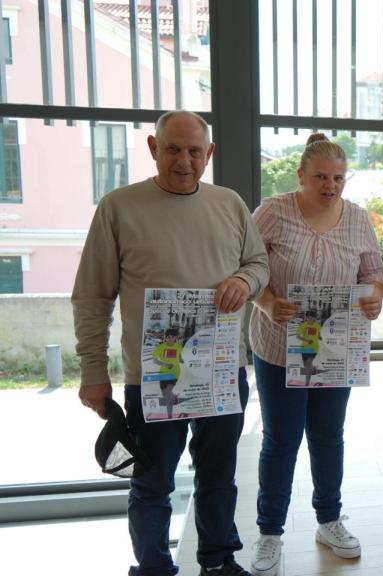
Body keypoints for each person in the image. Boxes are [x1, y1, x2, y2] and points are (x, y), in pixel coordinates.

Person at [73, 110, 270, 576]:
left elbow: (259, 264)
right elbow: (92, 296)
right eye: (173, 150)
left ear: (209, 153)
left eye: (195, 151)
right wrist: (93, 372)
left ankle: (218, 561)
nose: (184, 161)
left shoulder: (229, 204)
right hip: (152, 376)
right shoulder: (118, 207)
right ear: (153, 148)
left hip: (220, 371)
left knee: (219, 477)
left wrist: (245, 281)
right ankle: (154, 568)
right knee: (152, 482)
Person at [247, 133, 383, 576]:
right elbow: (245, 266)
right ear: (301, 176)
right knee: (281, 439)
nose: (331, 186)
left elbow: (374, 272)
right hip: (278, 345)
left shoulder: (358, 218)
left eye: (339, 178)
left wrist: (375, 296)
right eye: (322, 177)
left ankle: (329, 520)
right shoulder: (273, 211)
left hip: (335, 346)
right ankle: (270, 532)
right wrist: (267, 302)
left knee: (328, 436)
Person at [152, 327, 184, 420]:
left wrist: (182, 360)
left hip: (174, 373)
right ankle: (174, 397)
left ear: (176, 338)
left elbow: (179, 357)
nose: (170, 339)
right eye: (168, 337)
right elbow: (154, 360)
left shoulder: (179, 347)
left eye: (172, 337)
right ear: (166, 337)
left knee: (167, 394)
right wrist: (165, 364)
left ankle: (169, 416)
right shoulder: (161, 347)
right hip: (163, 373)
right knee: (164, 394)